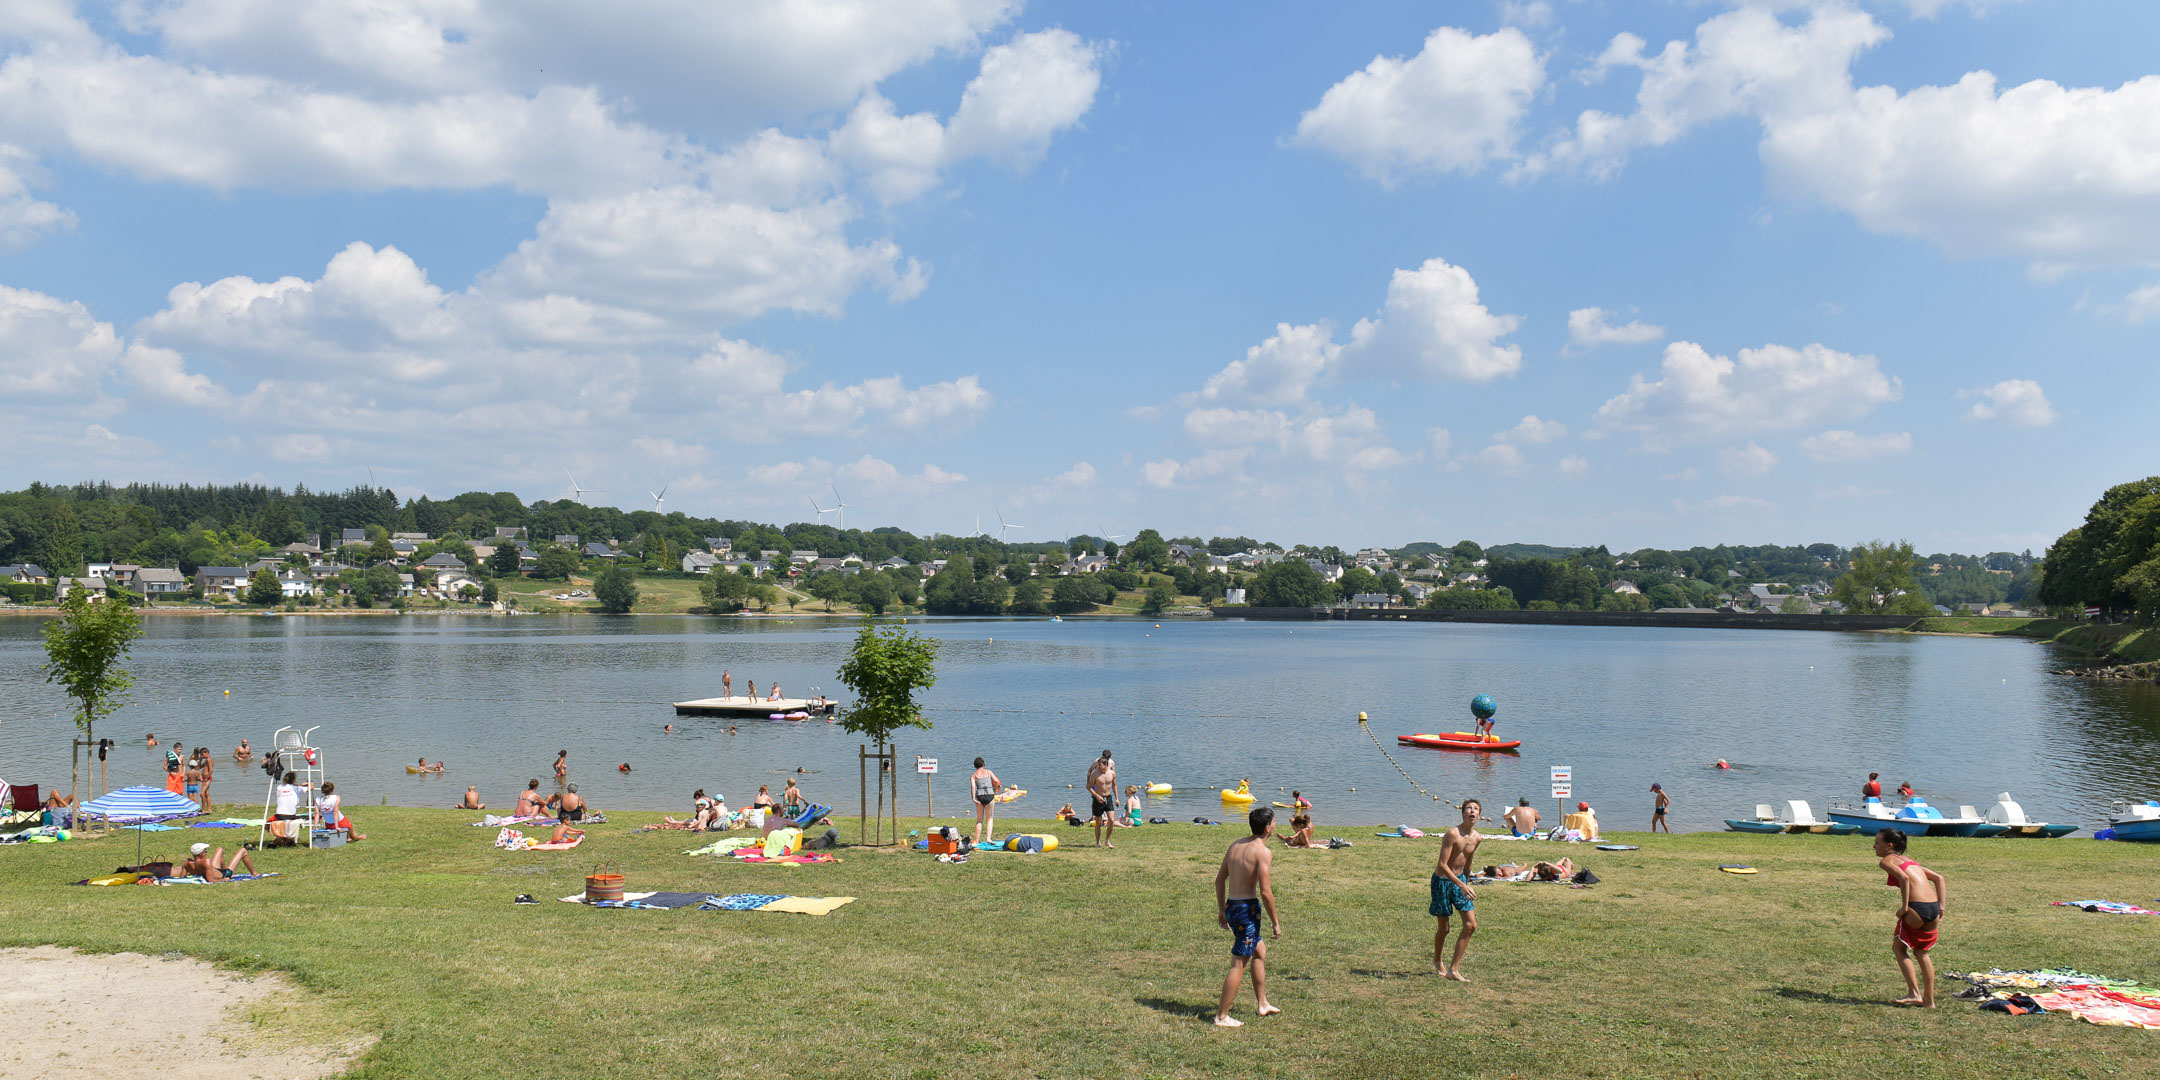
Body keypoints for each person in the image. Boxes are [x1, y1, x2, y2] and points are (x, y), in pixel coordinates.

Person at [1213, 806, 1282, 1027]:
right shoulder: (1263, 852)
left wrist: (1222, 910)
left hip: (1233, 907)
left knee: (1259, 951)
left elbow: (1219, 879)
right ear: (1268, 827)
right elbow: (1265, 892)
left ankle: (1262, 1004)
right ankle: (1221, 1016)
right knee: (1239, 963)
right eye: (1274, 822)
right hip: (1247, 911)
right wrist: (1276, 923)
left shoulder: (1236, 845)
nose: (1275, 825)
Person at [1876, 828, 1946, 1007]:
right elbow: (1939, 878)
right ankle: (1929, 1000)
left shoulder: (1886, 861)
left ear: (1890, 845)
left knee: (1899, 949)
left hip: (1916, 907)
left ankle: (1914, 993)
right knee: (1922, 952)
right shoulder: (1909, 861)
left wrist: (1905, 907)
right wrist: (1942, 907)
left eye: (1878, 843)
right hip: (1932, 908)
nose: (1874, 846)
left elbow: (1904, 879)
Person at [1431, 798, 1482, 981]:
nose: (1472, 811)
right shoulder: (1452, 834)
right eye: (1468, 808)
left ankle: (1454, 969)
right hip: (1442, 882)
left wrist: (1465, 884)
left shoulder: (1477, 838)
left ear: (1479, 815)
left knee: (1471, 925)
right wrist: (1462, 885)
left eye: (1475, 809)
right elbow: (1442, 865)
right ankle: (1437, 960)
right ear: (1462, 813)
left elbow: (1467, 863)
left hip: (1460, 882)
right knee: (1444, 929)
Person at [1086, 750, 1119, 849]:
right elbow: (1089, 787)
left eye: (1100, 765)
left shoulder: (1112, 774)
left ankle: (1107, 841)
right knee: (1098, 822)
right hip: (1098, 799)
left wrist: (1117, 798)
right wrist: (1097, 796)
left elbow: (1114, 785)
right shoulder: (1095, 774)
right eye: (1098, 765)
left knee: (1112, 820)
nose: (1099, 767)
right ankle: (1098, 842)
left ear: (1106, 765)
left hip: (1108, 798)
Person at [182, 842, 256, 881]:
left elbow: (182, 878)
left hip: (213, 870)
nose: (207, 852)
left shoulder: (186, 863)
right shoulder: (206, 862)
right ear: (201, 854)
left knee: (219, 849)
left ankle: (223, 869)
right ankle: (254, 873)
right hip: (224, 874)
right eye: (205, 850)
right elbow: (211, 880)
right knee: (243, 851)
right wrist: (224, 880)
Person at [969, 757, 1003, 844]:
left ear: (975, 766)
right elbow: (996, 781)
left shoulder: (973, 776)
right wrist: (994, 791)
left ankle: (976, 840)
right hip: (989, 795)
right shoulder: (989, 772)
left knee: (979, 819)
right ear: (983, 764)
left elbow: (973, 787)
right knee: (990, 818)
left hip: (979, 796)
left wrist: (973, 798)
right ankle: (988, 838)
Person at [270, 771, 307, 842]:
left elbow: (289, 786)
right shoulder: (297, 788)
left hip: (278, 815)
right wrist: (308, 784)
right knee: (299, 818)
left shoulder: (279, 787)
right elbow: (311, 787)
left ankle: (286, 840)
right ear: (293, 780)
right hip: (290, 816)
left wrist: (299, 784)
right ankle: (289, 839)